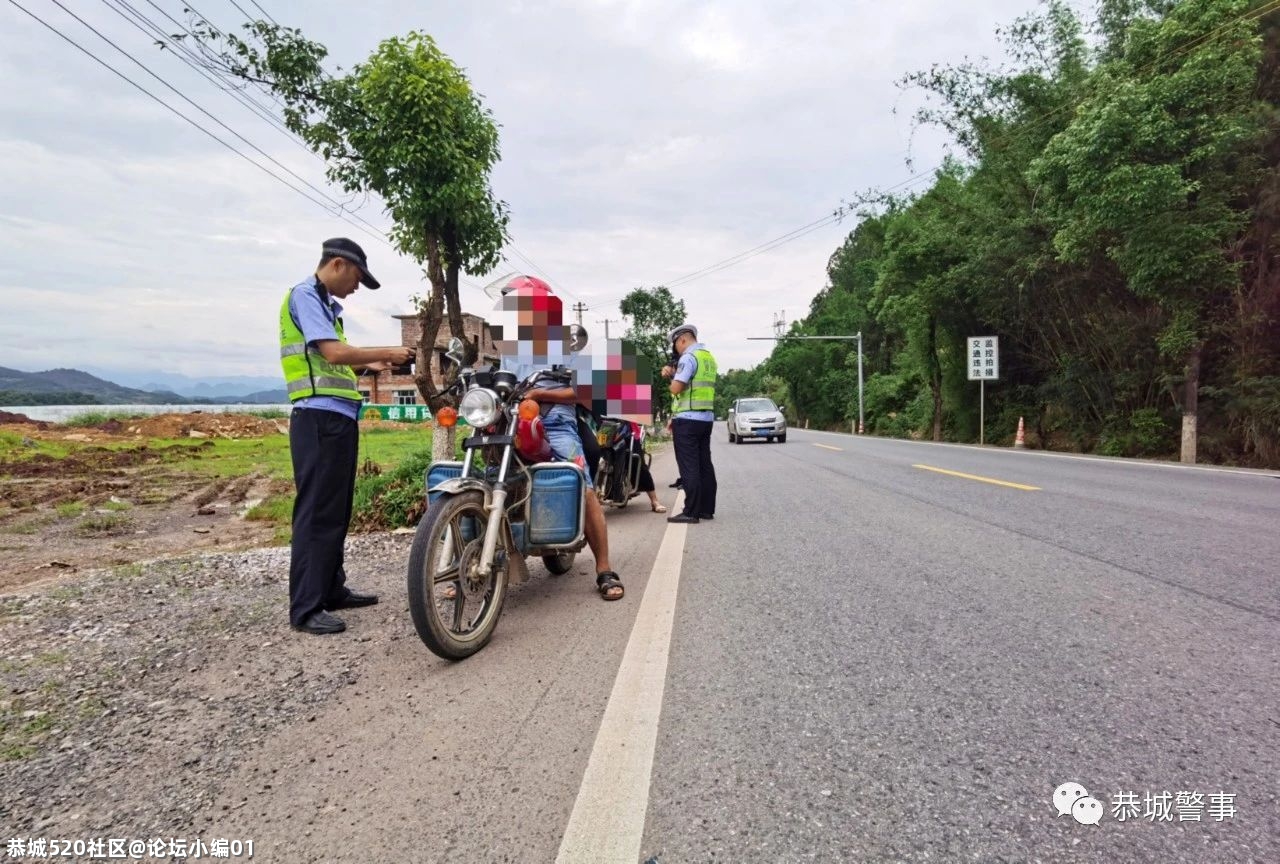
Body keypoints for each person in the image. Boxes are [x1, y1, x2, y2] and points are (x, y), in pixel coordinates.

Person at [280, 238, 415, 635]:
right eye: (357, 278)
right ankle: (306, 607)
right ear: (338, 264)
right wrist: (388, 353)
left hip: (337, 417)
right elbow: (335, 354)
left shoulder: (326, 307)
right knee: (316, 511)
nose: (357, 287)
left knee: (337, 510)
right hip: (317, 419)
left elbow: (333, 362)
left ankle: (331, 588)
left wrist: (369, 364)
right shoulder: (305, 295)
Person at [497, 276, 624, 600]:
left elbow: (586, 392)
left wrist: (540, 393)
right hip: (510, 425)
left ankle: (604, 569)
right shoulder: (508, 349)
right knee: (486, 482)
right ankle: (467, 563)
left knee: (584, 486)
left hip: (555, 423)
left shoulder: (566, 344)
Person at [661, 323, 717, 524]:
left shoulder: (688, 357)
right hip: (706, 419)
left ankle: (691, 512)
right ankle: (706, 509)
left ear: (682, 339)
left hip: (688, 421)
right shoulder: (707, 357)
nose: (675, 349)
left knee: (689, 467)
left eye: (675, 344)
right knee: (704, 465)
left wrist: (670, 375)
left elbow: (676, 389)